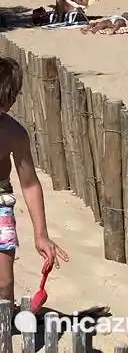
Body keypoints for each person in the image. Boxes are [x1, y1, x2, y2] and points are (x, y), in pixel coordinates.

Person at [0, 57, 69, 301]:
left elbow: (29, 184)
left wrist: (41, 234)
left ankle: (4, 326)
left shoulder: (14, 134)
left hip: (0, 204)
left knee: (4, 282)